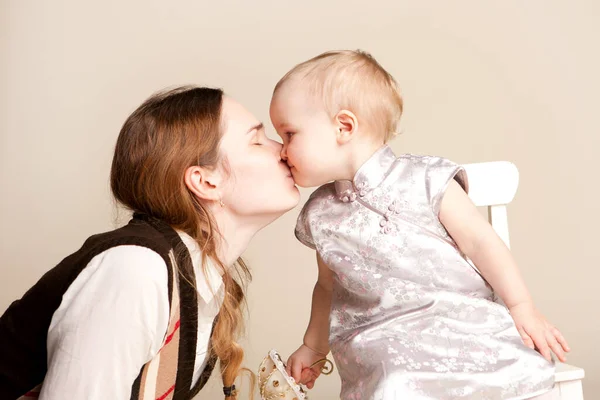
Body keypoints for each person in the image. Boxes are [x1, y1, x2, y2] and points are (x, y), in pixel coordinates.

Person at [269, 50, 569, 399]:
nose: (281, 149)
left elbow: (480, 242)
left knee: (507, 363)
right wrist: (314, 347)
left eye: (289, 134)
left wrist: (521, 306)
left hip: (459, 319)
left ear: (344, 127)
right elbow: (326, 287)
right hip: (380, 335)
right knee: (397, 378)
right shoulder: (320, 213)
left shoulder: (424, 179)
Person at [0, 86, 299, 400]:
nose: (282, 150)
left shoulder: (199, 280)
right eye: (257, 141)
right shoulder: (137, 271)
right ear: (205, 181)